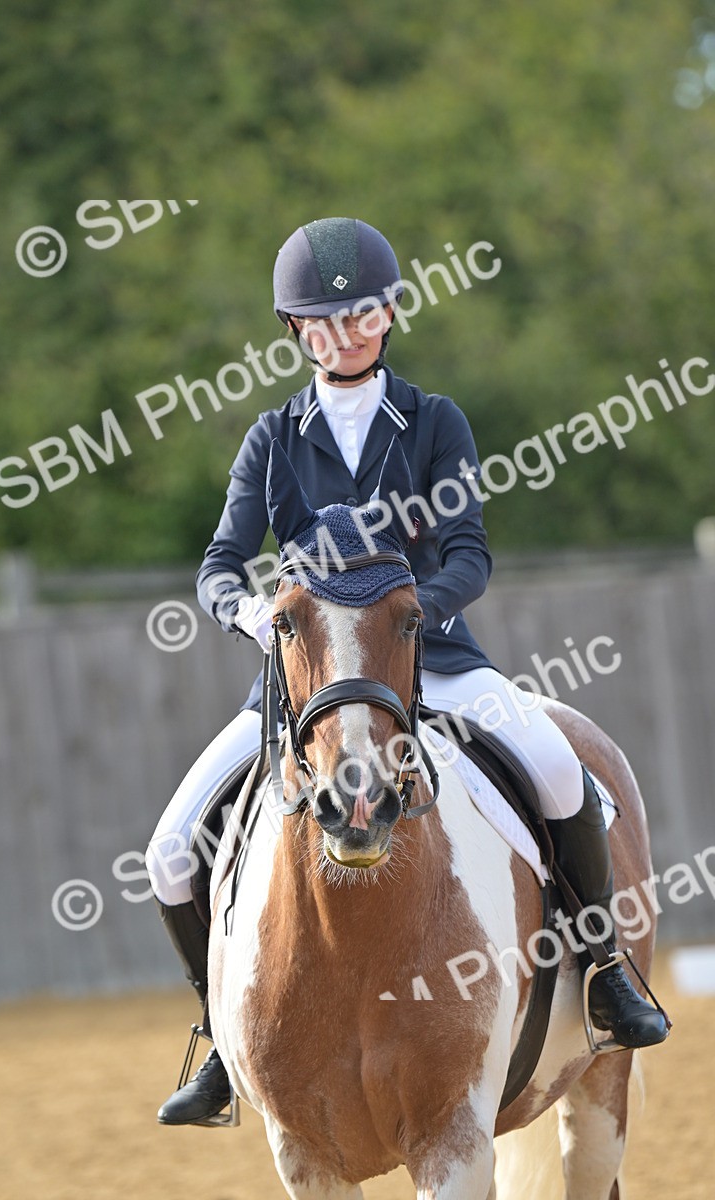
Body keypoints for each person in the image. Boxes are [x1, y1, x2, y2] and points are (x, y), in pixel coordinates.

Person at [146, 217, 668, 1127]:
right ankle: (222, 1037)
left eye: (359, 316)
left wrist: (416, 612)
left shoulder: (434, 422)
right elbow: (220, 563)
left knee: (558, 774)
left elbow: (468, 551)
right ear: (295, 330)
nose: (341, 334)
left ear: (388, 316)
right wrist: (249, 614)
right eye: (321, 321)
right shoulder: (272, 439)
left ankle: (609, 981)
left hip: (432, 660)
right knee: (168, 851)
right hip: (309, 681)